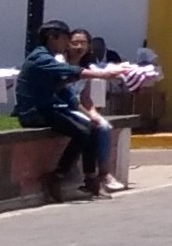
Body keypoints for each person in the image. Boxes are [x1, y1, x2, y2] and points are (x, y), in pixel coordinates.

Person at [15, 21, 107, 199]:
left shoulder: (47, 57)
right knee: (81, 133)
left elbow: (62, 89)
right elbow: (64, 70)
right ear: (52, 38)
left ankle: (90, 179)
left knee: (92, 128)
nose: (68, 44)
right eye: (66, 39)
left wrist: (88, 115)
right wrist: (100, 74)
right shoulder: (40, 58)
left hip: (48, 108)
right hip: (34, 112)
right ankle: (57, 176)